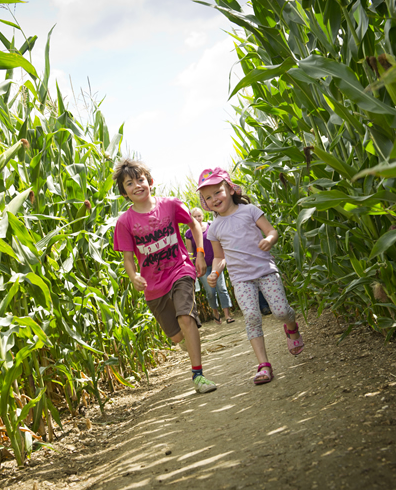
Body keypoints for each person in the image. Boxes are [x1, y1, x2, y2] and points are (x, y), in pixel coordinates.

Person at [113, 158, 217, 394]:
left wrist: (199, 254)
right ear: (124, 192)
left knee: (186, 318)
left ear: (150, 181)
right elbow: (128, 258)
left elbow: (194, 225)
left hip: (180, 269)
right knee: (177, 337)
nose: (137, 185)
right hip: (153, 285)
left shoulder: (170, 205)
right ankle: (188, 345)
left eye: (140, 180)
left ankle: (198, 375)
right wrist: (133, 276)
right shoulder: (125, 222)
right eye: (130, 183)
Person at [197, 167, 304, 385]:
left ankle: (291, 326)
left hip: (265, 271)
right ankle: (264, 365)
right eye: (208, 197)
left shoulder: (250, 210)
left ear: (229, 188)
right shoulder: (215, 228)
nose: (214, 199)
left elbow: (272, 231)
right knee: (252, 317)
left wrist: (270, 240)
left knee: (282, 311)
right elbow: (219, 256)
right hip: (240, 278)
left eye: (217, 192)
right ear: (204, 203)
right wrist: (215, 272)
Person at [185, 207, 235, 325]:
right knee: (210, 292)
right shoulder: (188, 233)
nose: (197, 219)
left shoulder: (211, 226)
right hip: (201, 267)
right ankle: (216, 314)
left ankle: (227, 315)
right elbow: (190, 253)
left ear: (202, 216)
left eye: (199, 216)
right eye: (194, 216)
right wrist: (191, 267)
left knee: (222, 288)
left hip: (215, 264)